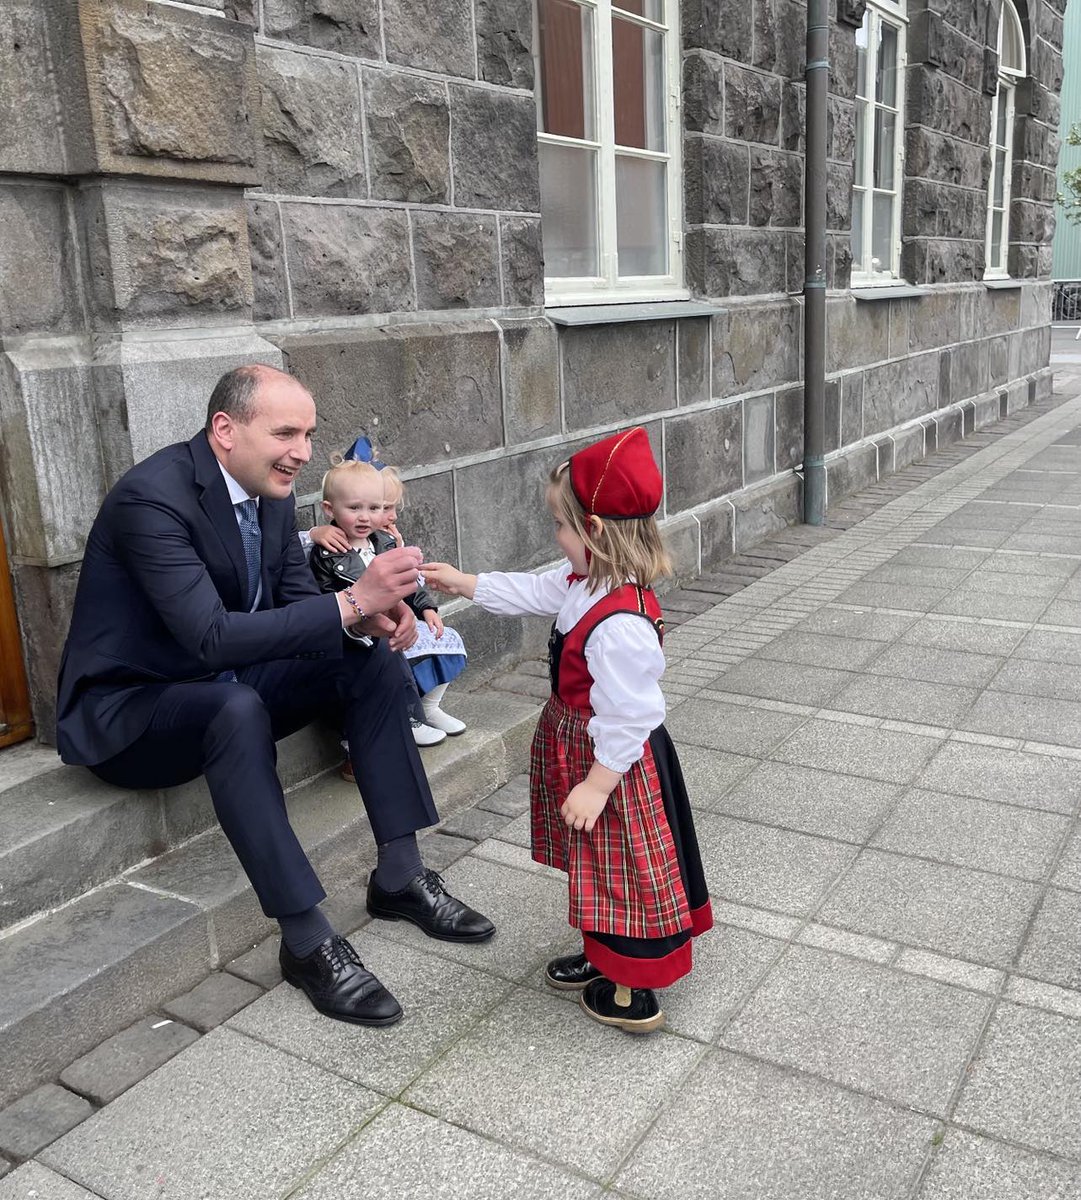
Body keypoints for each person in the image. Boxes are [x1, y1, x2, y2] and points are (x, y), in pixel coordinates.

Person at [56, 364, 495, 1030]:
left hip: (227, 681)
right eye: (286, 432)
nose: (302, 451)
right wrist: (352, 597)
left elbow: (294, 602)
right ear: (226, 431)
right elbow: (207, 637)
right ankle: (305, 941)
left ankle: (400, 877)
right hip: (136, 712)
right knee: (235, 709)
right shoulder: (150, 499)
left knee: (368, 660)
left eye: (309, 434)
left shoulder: (268, 487)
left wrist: (368, 618)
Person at [422, 427, 712, 1034]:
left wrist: (599, 784)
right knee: (595, 859)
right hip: (583, 744)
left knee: (626, 865)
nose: (555, 536)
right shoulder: (585, 580)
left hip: (616, 763)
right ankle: (602, 951)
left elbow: (632, 714)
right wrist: (465, 583)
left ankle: (634, 990)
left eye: (560, 524)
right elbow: (533, 589)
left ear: (595, 532)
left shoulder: (620, 623)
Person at [307, 460, 467, 747]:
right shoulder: (327, 552)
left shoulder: (384, 542)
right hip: (357, 633)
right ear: (330, 509)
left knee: (444, 638)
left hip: (397, 622)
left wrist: (426, 607)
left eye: (375, 508)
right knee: (387, 657)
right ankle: (408, 717)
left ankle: (428, 707)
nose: (365, 517)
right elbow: (325, 596)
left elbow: (409, 582)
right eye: (354, 508)